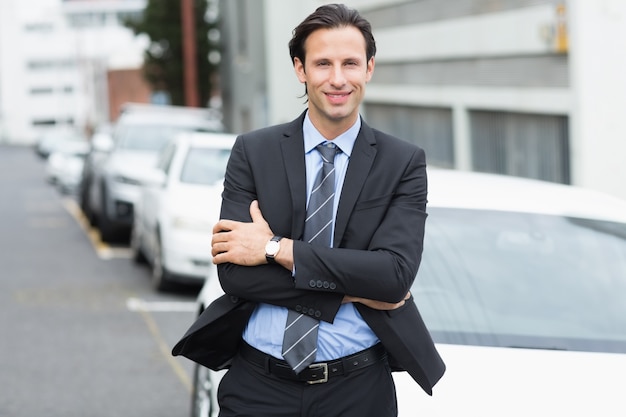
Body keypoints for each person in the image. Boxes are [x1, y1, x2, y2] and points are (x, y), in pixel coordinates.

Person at [172, 4, 445, 416]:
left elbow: (391, 277)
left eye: (350, 63)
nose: (338, 79)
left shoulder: (402, 163)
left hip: (357, 392)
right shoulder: (254, 152)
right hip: (257, 388)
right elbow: (234, 274)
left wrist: (274, 249)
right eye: (322, 64)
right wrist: (353, 286)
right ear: (300, 69)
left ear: (369, 68)